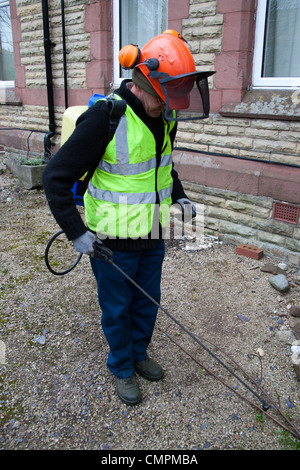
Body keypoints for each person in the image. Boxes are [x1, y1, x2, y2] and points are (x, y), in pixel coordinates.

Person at [43, 30, 211, 406]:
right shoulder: (105, 118)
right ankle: (120, 366)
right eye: (166, 98)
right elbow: (54, 178)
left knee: (147, 300)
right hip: (112, 242)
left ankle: (139, 354)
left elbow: (162, 168)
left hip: (153, 232)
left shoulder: (166, 117)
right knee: (117, 310)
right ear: (142, 82)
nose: (172, 107)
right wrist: (77, 233)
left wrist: (180, 199)